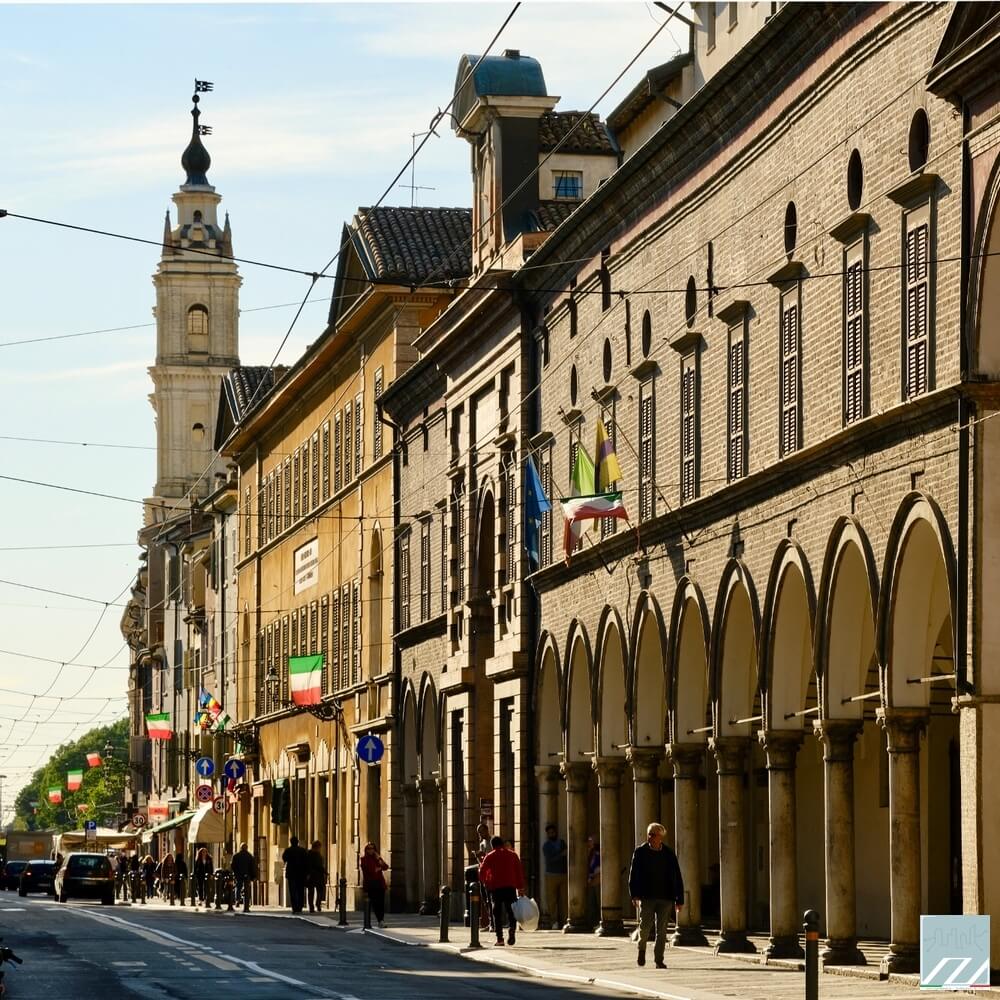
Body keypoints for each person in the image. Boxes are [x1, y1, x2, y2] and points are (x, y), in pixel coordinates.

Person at [627, 822, 684, 970]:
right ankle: (642, 949)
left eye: (654, 834)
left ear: (661, 837)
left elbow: (677, 876)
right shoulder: (640, 852)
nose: (650, 837)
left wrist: (679, 899)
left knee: (662, 930)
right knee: (645, 926)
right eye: (649, 834)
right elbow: (633, 875)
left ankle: (659, 959)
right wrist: (634, 895)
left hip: (666, 897)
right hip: (647, 896)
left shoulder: (669, 854)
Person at [478, 836, 525, 947]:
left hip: (496, 887)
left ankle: (500, 939)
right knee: (511, 910)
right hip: (510, 886)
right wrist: (520, 887)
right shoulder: (513, 855)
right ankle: (512, 928)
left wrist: (485, 882)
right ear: (502, 844)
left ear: (493, 845)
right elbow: (519, 871)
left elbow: (482, 872)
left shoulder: (490, 856)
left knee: (497, 913)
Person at [542, 823, 568, 928]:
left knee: (564, 899)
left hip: (563, 874)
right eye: (549, 833)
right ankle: (554, 921)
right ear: (547, 834)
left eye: (553, 832)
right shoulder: (546, 846)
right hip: (551, 875)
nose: (552, 834)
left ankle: (566, 919)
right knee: (552, 900)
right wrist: (561, 855)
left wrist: (561, 855)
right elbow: (550, 859)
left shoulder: (562, 843)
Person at [360, 842, 389, 928]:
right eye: (369, 848)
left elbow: (386, 867)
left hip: (380, 884)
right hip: (371, 885)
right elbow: (370, 871)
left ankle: (381, 920)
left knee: (381, 903)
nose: (371, 850)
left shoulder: (377, 859)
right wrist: (377, 869)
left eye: (372, 848)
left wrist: (379, 858)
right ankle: (379, 920)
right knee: (375, 904)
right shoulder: (363, 859)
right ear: (366, 850)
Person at [282, 836, 310, 913]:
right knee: (300, 890)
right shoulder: (303, 851)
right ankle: (300, 906)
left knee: (292, 891)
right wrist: (307, 873)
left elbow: (284, 859)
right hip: (301, 873)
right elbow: (307, 862)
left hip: (291, 874)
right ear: (297, 842)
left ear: (291, 842)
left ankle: (294, 907)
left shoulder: (288, 850)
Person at [232, 842, 258, 912]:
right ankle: (246, 902)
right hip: (247, 875)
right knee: (247, 889)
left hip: (239, 875)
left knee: (238, 887)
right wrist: (254, 876)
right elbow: (253, 867)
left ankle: (237, 900)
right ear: (246, 848)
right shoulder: (250, 856)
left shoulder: (236, 856)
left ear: (240, 848)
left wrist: (235, 873)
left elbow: (233, 866)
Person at [306, 840, 327, 914]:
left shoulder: (308, 854)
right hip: (317, 875)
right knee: (319, 891)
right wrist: (325, 872)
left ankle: (312, 907)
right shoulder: (317, 855)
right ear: (317, 847)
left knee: (311, 892)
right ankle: (317, 905)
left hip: (311, 875)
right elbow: (319, 866)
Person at [586, 835, 601, 928]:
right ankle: (593, 922)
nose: (589, 843)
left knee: (598, 901)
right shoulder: (589, 853)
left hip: (597, 878)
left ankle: (600, 921)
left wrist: (596, 877)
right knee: (592, 902)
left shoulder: (597, 853)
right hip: (591, 879)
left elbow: (598, 866)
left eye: (591, 841)